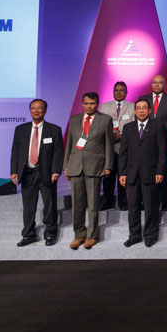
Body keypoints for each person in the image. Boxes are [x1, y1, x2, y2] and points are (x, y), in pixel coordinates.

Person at [63, 92, 114, 250]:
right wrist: (66, 166)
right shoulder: (75, 119)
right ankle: (79, 235)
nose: (89, 106)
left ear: (97, 104)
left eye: (92, 103)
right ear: (82, 104)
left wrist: (108, 166)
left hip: (95, 165)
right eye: (86, 103)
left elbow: (109, 145)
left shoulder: (105, 120)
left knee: (93, 204)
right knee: (77, 204)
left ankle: (92, 235)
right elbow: (70, 144)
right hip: (75, 165)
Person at [10, 99, 64, 247]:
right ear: (29, 110)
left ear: (45, 111)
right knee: (28, 207)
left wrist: (55, 170)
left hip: (46, 173)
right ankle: (28, 235)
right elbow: (15, 151)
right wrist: (14, 170)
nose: (36, 111)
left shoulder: (54, 129)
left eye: (39, 108)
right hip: (27, 173)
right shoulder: (21, 129)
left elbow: (59, 153)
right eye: (33, 108)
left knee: (49, 205)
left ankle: (50, 234)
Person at [119, 100, 166, 247]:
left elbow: (162, 151)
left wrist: (160, 170)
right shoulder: (128, 128)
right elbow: (123, 153)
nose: (141, 111)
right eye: (138, 108)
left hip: (150, 173)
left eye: (144, 108)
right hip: (132, 174)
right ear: (134, 111)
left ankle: (150, 235)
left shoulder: (157, 126)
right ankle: (134, 235)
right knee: (132, 207)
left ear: (150, 110)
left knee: (151, 206)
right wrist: (122, 172)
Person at [138, 74, 167, 212]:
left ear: (165, 85)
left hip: (166, 141)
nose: (157, 85)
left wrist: (158, 130)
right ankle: (146, 200)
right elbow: (139, 118)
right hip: (146, 142)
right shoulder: (143, 99)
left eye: (160, 83)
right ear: (151, 84)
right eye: (154, 82)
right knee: (146, 171)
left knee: (165, 172)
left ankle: (165, 201)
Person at [98, 81, 134, 211]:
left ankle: (123, 202)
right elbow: (100, 125)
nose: (119, 92)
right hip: (108, 146)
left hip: (125, 147)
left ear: (126, 92)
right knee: (108, 176)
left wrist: (121, 135)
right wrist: (111, 135)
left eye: (122, 90)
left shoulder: (132, 107)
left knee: (123, 175)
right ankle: (108, 201)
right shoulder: (105, 107)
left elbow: (134, 128)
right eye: (116, 90)